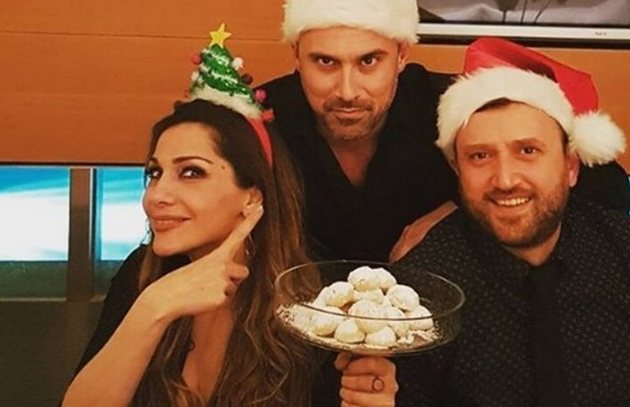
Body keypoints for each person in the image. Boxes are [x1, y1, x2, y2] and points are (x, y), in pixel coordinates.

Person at [63, 27, 398, 407]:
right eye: (155, 173)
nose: (156, 196)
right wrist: (155, 306)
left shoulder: (313, 300)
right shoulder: (143, 275)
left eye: (191, 172)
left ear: (252, 195)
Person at [259, 0, 630, 263]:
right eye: (325, 62)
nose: (347, 90)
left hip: (443, 323)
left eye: (369, 61)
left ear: (402, 54)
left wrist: (461, 210)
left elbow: (608, 188)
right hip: (292, 327)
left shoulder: (456, 107)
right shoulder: (262, 116)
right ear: (297, 55)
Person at [393, 37, 630, 405]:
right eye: (480, 156)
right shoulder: (421, 290)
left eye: (527, 151)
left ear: (571, 166)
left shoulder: (629, 250)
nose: (505, 179)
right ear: (457, 169)